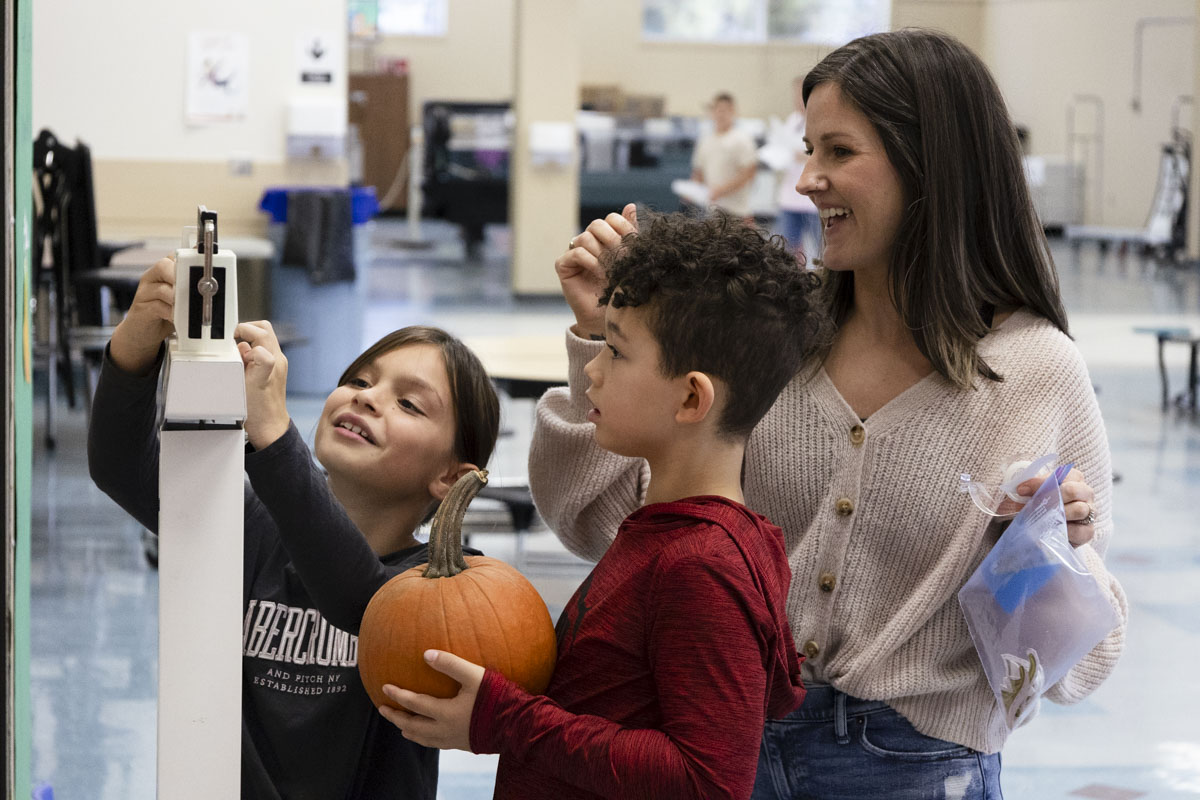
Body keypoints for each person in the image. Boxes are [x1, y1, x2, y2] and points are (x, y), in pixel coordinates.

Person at [529, 29, 1128, 799]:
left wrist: (1054, 552)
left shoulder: (1037, 371)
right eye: (809, 148)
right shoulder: (774, 337)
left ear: (930, 166)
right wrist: (599, 340)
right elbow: (600, 520)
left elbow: (1078, 665)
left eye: (838, 151)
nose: (808, 179)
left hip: (917, 770)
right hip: (724, 743)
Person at [377, 212, 827, 799]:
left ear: (691, 396)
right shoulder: (673, 534)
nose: (591, 368)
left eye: (615, 350)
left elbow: (710, 780)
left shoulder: (702, 565)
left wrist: (508, 719)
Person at [88, 256, 500, 799]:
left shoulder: (446, 583)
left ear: (451, 477)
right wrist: (136, 342)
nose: (366, 396)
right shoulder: (251, 524)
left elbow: (362, 601)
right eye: (358, 379)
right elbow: (120, 464)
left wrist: (276, 437)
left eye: (407, 403)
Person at [690, 92, 759, 219]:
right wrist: (692, 189)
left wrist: (721, 191)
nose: (720, 114)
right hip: (713, 209)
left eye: (724, 110)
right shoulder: (705, 140)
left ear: (733, 112)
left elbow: (748, 173)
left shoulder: (741, 139)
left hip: (736, 210)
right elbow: (698, 172)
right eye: (717, 110)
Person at [776, 77, 821, 260]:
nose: (797, 100)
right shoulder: (792, 120)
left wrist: (802, 156)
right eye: (795, 95)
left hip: (812, 202)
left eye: (800, 95)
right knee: (788, 251)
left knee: (820, 249)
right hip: (789, 199)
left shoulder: (820, 121)